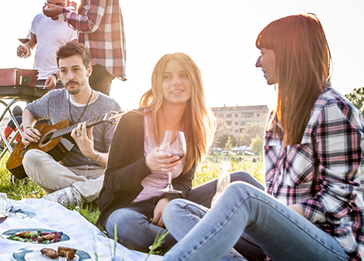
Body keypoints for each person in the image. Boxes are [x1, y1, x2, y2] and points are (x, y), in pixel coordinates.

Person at [162, 14, 364, 261]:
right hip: (280, 243)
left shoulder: (332, 109)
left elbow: (338, 198)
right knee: (176, 209)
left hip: (331, 248)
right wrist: (250, 218)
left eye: (264, 52)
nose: (258, 63)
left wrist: (269, 214)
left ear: (289, 53)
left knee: (242, 195)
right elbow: (278, 193)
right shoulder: (277, 116)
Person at [96, 53, 264, 255]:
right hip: (132, 208)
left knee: (241, 180)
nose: (176, 82)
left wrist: (167, 199)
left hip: (174, 206)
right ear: (158, 83)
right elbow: (112, 181)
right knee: (122, 224)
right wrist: (146, 164)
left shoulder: (194, 127)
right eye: (167, 77)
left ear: (194, 81)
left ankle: (288, 226)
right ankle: (241, 246)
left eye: (183, 75)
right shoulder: (133, 121)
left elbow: (185, 181)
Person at [21, 42, 121, 207]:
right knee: (30, 158)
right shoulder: (54, 99)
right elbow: (29, 110)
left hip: (100, 172)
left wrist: (92, 154)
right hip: (66, 172)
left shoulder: (110, 107)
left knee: (119, 174)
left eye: (76, 69)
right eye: (63, 71)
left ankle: (72, 195)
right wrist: (28, 128)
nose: (69, 77)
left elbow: (117, 160)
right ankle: (90, 194)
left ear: (88, 71)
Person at [42, 0, 126, 96]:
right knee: (96, 111)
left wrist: (61, 12)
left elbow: (90, 23)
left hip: (98, 62)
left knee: (96, 113)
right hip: (102, 62)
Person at [17, 0, 77, 89]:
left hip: (60, 82)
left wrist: (56, 76)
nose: (53, 8)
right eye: (50, 4)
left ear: (67, 3)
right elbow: (31, 45)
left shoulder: (72, 24)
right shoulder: (38, 19)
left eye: (58, 5)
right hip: (37, 80)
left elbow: (73, 60)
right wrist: (25, 49)